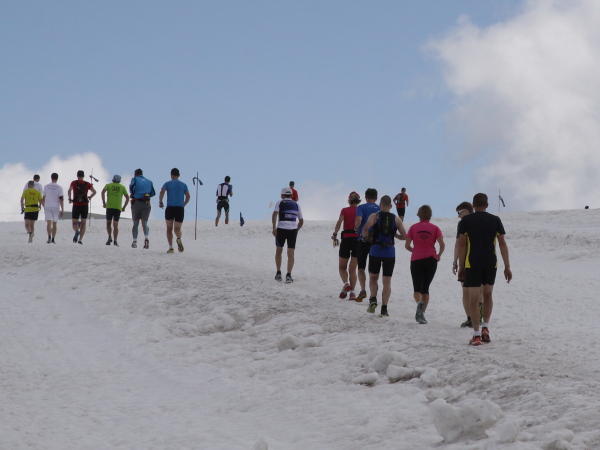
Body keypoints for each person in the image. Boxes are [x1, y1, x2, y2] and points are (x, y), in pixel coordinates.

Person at [457, 193, 512, 346]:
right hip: (490, 263)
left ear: (473, 205)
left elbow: (462, 244)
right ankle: (485, 328)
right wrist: (507, 267)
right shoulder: (495, 220)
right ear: (487, 205)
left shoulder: (466, 221)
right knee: (487, 295)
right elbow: (502, 244)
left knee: (474, 299)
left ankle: (476, 335)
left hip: (472, 263)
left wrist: (461, 266)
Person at [361, 195, 407, 317]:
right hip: (389, 253)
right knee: (387, 282)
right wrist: (395, 235)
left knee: (373, 278)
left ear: (380, 205)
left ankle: (373, 299)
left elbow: (365, 228)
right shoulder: (397, 219)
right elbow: (404, 236)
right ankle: (384, 309)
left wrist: (365, 238)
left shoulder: (374, 216)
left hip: (375, 251)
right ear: (391, 206)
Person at [405, 205, 445, 324]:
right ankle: (422, 314)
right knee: (425, 288)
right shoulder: (435, 228)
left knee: (417, 287)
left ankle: (419, 303)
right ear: (430, 215)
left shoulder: (413, 227)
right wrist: (439, 255)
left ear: (418, 214)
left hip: (416, 259)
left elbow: (407, 245)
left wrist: (414, 250)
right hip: (431, 259)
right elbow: (442, 244)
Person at [452, 201, 483, 328]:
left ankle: (470, 318)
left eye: (459, 212)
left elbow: (459, 243)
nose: (458, 216)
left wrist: (455, 262)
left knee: (466, 290)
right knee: (480, 289)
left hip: (466, 260)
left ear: (466, 211)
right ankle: (479, 315)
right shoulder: (482, 221)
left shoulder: (463, 223)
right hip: (482, 259)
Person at [332, 191, 361, 300]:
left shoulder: (345, 210)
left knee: (342, 267)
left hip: (346, 239)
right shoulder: (360, 210)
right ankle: (352, 293)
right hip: (357, 240)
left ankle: (346, 284)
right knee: (353, 269)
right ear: (358, 201)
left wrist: (335, 234)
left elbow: (339, 222)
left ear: (349, 200)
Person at [354, 188, 380, 302]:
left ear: (366, 197)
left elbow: (358, 220)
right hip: (375, 241)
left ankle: (363, 290)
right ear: (376, 198)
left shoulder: (361, 207)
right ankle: (373, 295)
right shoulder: (380, 209)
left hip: (363, 239)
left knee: (361, 267)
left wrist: (356, 228)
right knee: (373, 271)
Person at [272, 187, 303, 283]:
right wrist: (296, 230)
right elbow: (301, 221)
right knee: (291, 252)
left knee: (279, 250)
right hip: (292, 230)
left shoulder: (279, 202)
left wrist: (274, 228)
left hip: (281, 228)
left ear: (282, 195)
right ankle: (289, 275)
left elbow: (274, 214)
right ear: (292, 195)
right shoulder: (297, 204)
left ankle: (278, 273)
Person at [159, 168, 191, 253]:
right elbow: (188, 196)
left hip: (170, 207)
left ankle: (171, 247)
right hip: (179, 208)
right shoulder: (184, 185)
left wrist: (160, 201)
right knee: (177, 229)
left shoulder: (167, 183)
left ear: (171, 175)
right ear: (179, 175)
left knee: (169, 228)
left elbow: (162, 192)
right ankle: (179, 238)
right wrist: (183, 204)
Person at [68, 170, 96, 244]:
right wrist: (90, 197)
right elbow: (94, 192)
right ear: (83, 176)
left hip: (76, 205)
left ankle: (77, 231)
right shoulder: (87, 184)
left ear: (77, 176)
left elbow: (69, 190)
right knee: (83, 223)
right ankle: (80, 239)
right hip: (84, 205)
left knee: (74, 223)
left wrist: (70, 199)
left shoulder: (74, 183)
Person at [129, 168, 156, 249]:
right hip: (146, 203)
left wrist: (133, 194)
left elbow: (131, 188)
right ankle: (146, 237)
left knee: (136, 223)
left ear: (135, 174)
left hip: (137, 202)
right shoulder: (149, 181)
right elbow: (153, 193)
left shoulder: (134, 179)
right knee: (145, 223)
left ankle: (134, 241)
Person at [101, 175, 129, 247]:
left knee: (108, 223)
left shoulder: (108, 185)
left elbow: (102, 192)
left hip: (109, 206)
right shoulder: (122, 187)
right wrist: (124, 207)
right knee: (115, 225)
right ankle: (115, 240)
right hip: (118, 207)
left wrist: (104, 202)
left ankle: (109, 236)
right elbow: (127, 198)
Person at [42, 173, 64, 243]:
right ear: (57, 178)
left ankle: (49, 237)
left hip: (48, 205)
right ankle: (53, 238)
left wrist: (43, 205)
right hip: (56, 206)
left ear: (51, 178)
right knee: (54, 223)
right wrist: (62, 209)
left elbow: (43, 197)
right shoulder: (59, 187)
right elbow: (61, 198)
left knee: (49, 223)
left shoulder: (46, 186)